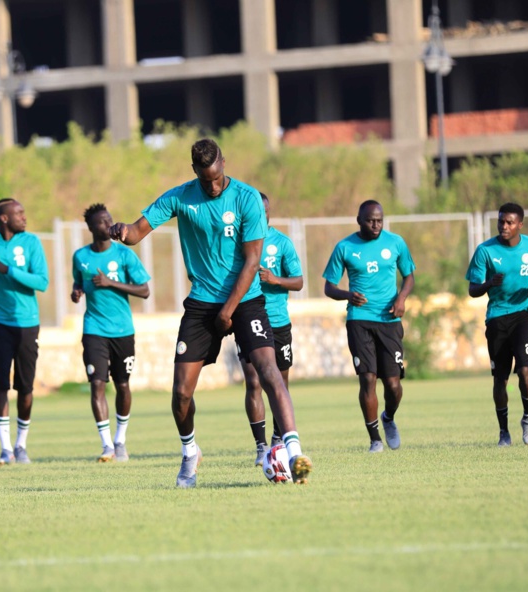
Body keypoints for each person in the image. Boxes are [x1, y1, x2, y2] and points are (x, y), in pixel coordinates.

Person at [109, 138, 313, 487]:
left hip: (245, 300)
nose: (214, 186)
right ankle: (190, 452)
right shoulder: (180, 197)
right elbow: (136, 232)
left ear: (224, 162)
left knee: (270, 372)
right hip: (202, 302)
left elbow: (252, 261)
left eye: (217, 178)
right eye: (206, 181)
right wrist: (122, 231)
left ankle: (294, 453)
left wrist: (228, 311)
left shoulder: (247, 197)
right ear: (195, 172)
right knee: (181, 393)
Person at [322, 200, 415, 453]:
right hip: (359, 319)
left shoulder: (395, 243)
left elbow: (409, 276)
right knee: (368, 378)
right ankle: (375, 439)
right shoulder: (345, 247)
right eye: (371, 220)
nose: (376, 225)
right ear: (359, 221)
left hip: (389, 320)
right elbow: (329, 287)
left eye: (379, 220)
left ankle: (388, 418)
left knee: (393, 384)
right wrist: (347, 295)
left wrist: (401, 298)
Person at [0, 198, 49, 465]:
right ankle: (5, 449)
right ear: (4, 218)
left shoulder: (32, 242)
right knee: (0, 383)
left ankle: (21, 445)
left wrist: (8, 270)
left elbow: (42, 282)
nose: (24, 217)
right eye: (19, 214)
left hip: (27, 322)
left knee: (25, 387)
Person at [466, 203, 528, 447]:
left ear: (520, 225)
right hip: (497, 318)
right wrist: (489, 284)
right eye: (501, 222)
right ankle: (503, 432)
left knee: (525, 369)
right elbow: (473, 289)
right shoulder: (485, 251)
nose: (504, 226)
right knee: (500, 379)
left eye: (510, 222)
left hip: (524, 315)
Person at [71, 203, 151, 462]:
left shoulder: (124, 254)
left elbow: (144, 290)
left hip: (122, 330)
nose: (108, 224)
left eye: (109, 219)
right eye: (102, 221)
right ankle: (107, 445)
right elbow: (78, 281)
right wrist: (76, 291)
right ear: (91, 227)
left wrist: (110, 282)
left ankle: (120, 440)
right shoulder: (80, 256)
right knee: (97, 383)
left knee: (122, 385)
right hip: (94, 328)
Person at [237, 193, 303, 467]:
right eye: (256, 212)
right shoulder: (239, 241)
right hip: (248, 320)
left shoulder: (282, 242)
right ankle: (260, 445)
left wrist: (275, 280)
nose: (260, 216)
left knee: (279, 384)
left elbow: (298, 282)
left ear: (269, 212)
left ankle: (279, 439)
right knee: (253, 382)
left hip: (278, 322)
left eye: (264, 211)